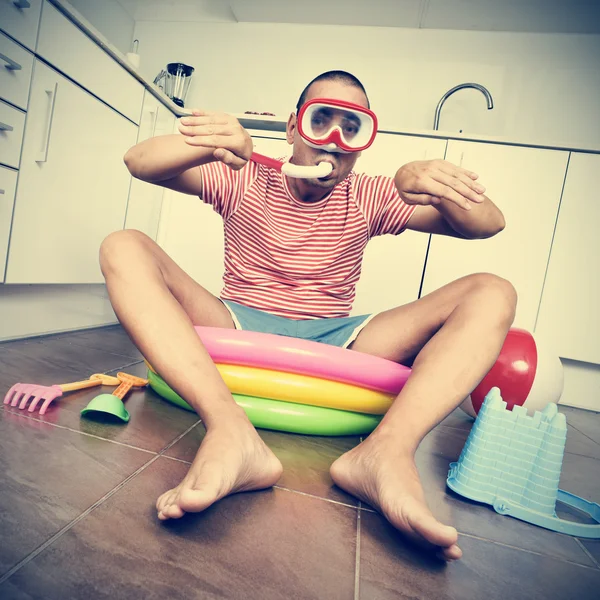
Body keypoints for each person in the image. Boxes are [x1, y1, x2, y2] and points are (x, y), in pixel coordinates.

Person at [100, 70, 515, 562]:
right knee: (123, 245)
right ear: (295, 127)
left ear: (362, 145)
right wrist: (217, 145)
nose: (335, 142)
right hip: (236, 321)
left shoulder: (370, 194)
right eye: (323, 121)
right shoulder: (246, 173)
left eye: (352, 128)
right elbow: (137, 161)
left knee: (493, 291)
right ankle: (230, 431)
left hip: (338, 337)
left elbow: (489, 225)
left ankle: (385, 453)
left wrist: (418, 181)